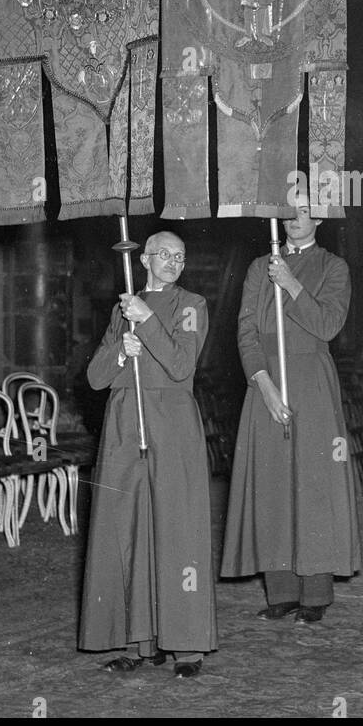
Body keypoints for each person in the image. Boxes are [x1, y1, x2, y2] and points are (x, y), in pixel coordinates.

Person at [79, 231, 215, 678]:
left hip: (171, 424)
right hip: (125, 425)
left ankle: (188, 646)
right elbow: (96, 379)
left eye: (180, 256)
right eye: (165, 255)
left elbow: (181, 365)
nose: (174, 262)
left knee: (176, 529)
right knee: (129, 528)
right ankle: (141, 643)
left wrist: (149, 324)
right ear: (145, 261)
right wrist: (123, 349)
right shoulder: (124, 309)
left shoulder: (192, 305)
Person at [221, 203, 360, 623]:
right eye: (288, 211)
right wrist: (262, 382)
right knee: (273, 482)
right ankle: (279, 590)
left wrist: (291, 284)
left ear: (319, 219)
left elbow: (329, 325)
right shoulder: (258, 266)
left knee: (313, 482)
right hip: (265, 381)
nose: (294, 218)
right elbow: (245, 329)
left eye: (304, 212)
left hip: (311, 379)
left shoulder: (334, 267)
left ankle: (315, 594)